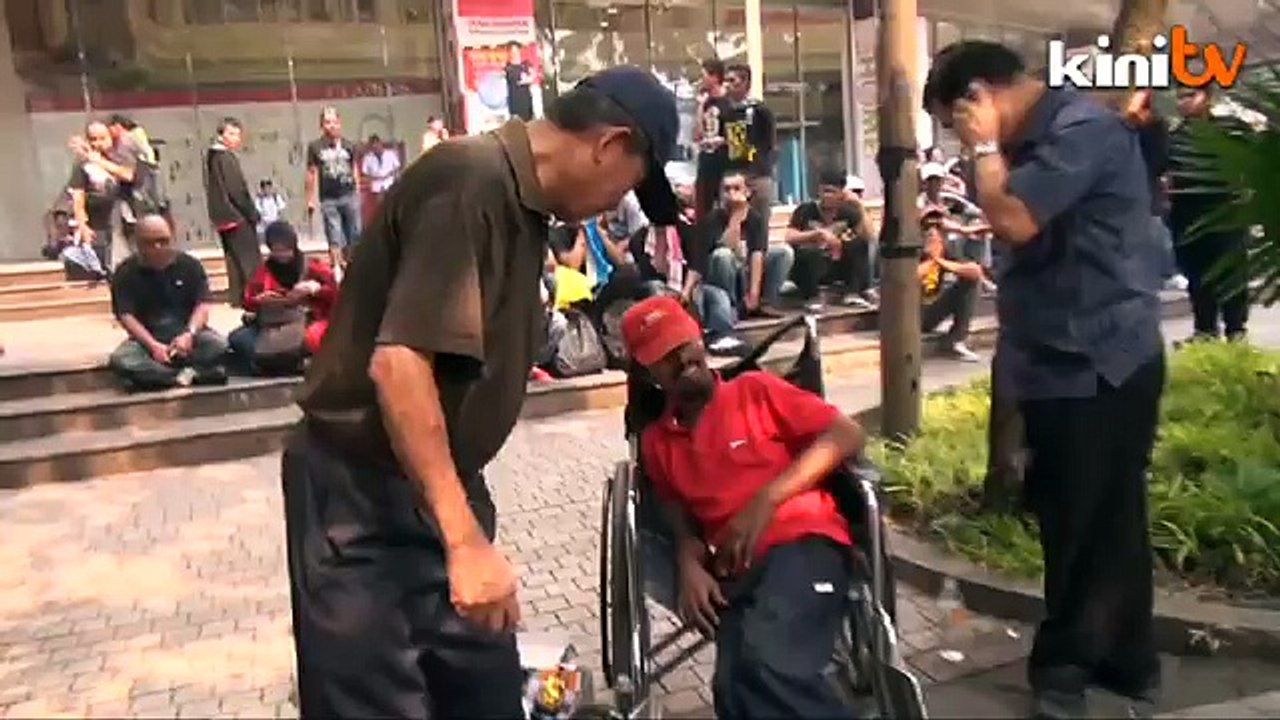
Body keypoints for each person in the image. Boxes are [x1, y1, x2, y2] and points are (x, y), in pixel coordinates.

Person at [282, 64, 681, 718]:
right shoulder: (471, 180)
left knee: (484, 693)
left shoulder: (522, 210)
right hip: (364, 498)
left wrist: (466, 527)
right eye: (630, 185)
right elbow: (400, 364)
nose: (618, 203)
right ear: (609, 145)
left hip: (435, 491)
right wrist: (464, 541)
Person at [924, 41, 1165, 718]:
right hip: (1061, 356)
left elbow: (1014, 218)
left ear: (980, 95)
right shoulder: (1041, 137)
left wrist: (980, 150)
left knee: (1084, 515)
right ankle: (1130, 658)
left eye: (954, 118)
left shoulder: (1077, 132)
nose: (955, 134)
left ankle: (1065, 666)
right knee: (1098, 513)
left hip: (1098, 359)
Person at [620, 294, 864, 720]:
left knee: (764, 668)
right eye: (665, 355)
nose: (683, 360)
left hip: (805, 545)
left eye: (684, 343)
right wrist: (687, 562)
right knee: (733, 688)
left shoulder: (756, 390)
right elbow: (677, 513)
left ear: (699, 335)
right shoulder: (657, 443)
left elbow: (847, 434)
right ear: (648, 371)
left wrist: (765, 501)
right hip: (736, 570)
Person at [107, 215, 228, 390]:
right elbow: (126, 315)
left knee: (219, 345)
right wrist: (153, 345)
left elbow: (202, 304)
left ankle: (158, 378)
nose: (158, 247)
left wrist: (189, 334)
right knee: (122, 359)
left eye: (163, 240)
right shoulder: (126, 272)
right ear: (138, 243)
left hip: (186, 334)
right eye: (149, 242)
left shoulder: (190, 265)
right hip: (148, 338)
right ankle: (188, 376)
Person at [1169, 86, 1250, 343]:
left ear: (1207, 96)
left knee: (1231, 274)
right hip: (1188, 217)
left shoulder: (1230, 129)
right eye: (1180, 96)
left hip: (1226, 213)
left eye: (1190, 95)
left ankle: (1236, 330)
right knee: (1198, 278)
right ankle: (1205, 331)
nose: (1183, 102)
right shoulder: (1174, 137)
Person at [228, 221, 337, 371]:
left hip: (308, 322)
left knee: (313, 339)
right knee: (238, 338)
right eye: (276, 251)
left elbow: (336, 294)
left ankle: (283, 361)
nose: (281, 256)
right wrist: (259, 300)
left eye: (285, 250)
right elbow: (248, 301)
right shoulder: (264, 271)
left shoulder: (313, 266)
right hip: (272, 325)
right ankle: (285, 362)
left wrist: (315, 289)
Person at [699, 172, 793, 319]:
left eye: (736, 188)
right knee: (723, 255)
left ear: (747, 192)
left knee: (783, 252)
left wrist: (754, 294)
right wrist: (736, 216)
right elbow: (726, 247)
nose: (731, 193)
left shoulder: (755, 218)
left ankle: (764, 303)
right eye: (727, 189)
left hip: (747, 271)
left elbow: (757, 253)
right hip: (725, 275)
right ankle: (729, 308)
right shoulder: (712, 219)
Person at [785, 167, 877, 309]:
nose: (827, 196)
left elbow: (870, 236)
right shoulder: (806, 210)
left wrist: (859, 206)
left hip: (837, 263)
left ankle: (853, 293)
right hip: (811, 266)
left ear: (841, 193)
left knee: (860, 244)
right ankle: (813, 298)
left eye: (832, 192)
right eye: (824, 191)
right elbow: (789, 236)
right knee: (808, 254)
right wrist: (816, 235)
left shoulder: (848, 212)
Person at [205, 117, 262, 309]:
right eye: (231, 133)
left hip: (223, 216)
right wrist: (251, 212)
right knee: (249, 258)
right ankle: (253, 296)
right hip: (236, 215)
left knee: (233, 258)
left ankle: (237, 296)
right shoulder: (225, 157)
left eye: (238, 134)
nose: (236, 138)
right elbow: (237, 190)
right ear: (221, 135)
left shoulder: (212, 156)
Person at [918, 208, 982, 362]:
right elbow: (911, 277)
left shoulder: (944, 249)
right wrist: (931, 260)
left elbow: (974, 271)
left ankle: (955, 340)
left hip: (931, 309)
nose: (932, 232)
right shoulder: (911, 248)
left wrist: (940, 261)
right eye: (927, 227)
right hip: (908, 316)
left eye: (937, 227)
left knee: (971, 280)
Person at [68, 121, 134, 270]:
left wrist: (98, 161)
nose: (98, 143)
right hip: (98, 224)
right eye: (93, 139)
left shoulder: (119, 156)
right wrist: (82, 225)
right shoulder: (82, 165)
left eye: (102, 138)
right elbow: (78, 197)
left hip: (125, 222)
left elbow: (128, 175)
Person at [306, 107, 362, 274]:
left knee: (355, 234)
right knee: (334, 234)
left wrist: (357, 190)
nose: (331, 125)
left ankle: (353, 267)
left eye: (334, 122)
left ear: (339, 123)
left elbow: (354, 169)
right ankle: (336, 268)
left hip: (349, 195)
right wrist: (309, 199)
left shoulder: (349, 145)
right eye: (327, 122)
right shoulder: (315, 147)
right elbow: (311, 172)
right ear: (321, 125)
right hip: (329, 199)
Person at [721, 64, 777, 220]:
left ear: (745, 83)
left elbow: (769, 142)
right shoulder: (726, 111)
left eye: (733, 81)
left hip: (757, 173)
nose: (728, 85)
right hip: (733, 173)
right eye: (726, 81)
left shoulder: (760, 110)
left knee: (759, 222)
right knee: (731, 221)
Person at [693, 58, 731, 219]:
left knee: (723, 205)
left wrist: (721, 140)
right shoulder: (706, 103)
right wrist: (700, 106)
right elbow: (697, 134)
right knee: (703, 207)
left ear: (715, 77)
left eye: (704, 76)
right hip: (706, 160)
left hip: (722, 161)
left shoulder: (728, 102)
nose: (702, 80)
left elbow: (736, 138)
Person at [361, 134, 401, 224]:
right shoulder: (367, 158)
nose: (376, 148)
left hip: (389, 183)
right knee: (380, 208)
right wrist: (375, 177)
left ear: (380, 144)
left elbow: (397, 168)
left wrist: (388, 175)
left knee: (392, 206)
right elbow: (365, 173)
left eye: (377, 145)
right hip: (376, 186)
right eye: (373, 147)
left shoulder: (390, 154)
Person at [504, 41, 536, 121]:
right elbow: (519, 80)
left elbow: (532, 76)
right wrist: (526, 79)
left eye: (516, 51)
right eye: (512, 51)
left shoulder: (526, 64)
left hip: (526, 99)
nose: (515, 53)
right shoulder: (508, 68)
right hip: (515, 100)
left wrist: (529, 78)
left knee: (529, 122)